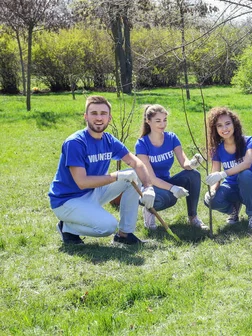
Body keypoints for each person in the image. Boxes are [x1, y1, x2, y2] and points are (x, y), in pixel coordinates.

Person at [49, 95, 155, 245]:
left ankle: (124, 235)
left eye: (103, 114)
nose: (99, 118)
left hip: (92, 192)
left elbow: (136, 163)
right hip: (67, 200)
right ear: (85, 116)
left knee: (131, 178)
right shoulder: (75, 142)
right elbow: (82, 182)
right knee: (108, 226)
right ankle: (67, 227)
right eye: (94, 113)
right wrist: (116, 175)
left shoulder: (108, 140)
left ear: (109, 118)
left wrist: (148, 188)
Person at [135, 104, 207, 231]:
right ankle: (148, 209)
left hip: (166, 181)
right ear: (148, 121)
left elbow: (184, 163)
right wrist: (173, 188)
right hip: (149, 187)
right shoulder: (142, 144)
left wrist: (193, 163)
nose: (162, 124)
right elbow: (150, 178)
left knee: (194, 175)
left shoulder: (172, 138)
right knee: (168, 199)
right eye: (158, 121)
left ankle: (193, 217)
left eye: (164, 120)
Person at [204, 107, 252, 232]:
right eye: (219, 125)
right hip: (231, 188)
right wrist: (213, 190)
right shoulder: (217, 148)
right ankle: (233, 211)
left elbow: (247, 163)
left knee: (245, 174)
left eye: (227, 124)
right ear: (215, 129)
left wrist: (223, 173)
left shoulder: (248, 141)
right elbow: (215, 171)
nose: (224, 129)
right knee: (210, 200)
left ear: (234, 124)